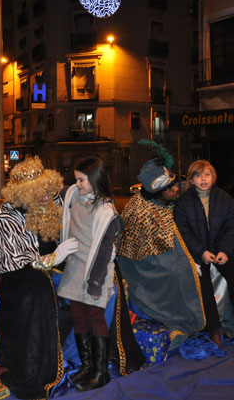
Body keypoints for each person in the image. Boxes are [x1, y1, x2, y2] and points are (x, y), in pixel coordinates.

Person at [0, 156, 70, 399]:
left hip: (49, 272)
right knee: (36, 298)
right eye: (38, 191)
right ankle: (32, 371)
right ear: (23, 193)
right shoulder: (6, 217)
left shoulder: (53, 205)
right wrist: (53, 258)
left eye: (47, 188)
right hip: (18, 278)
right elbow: (18, 261)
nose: (46, 195)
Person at [57, 157, 146, 392]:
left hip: (96, 270)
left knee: (95, 317)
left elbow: (105, 251)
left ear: (95, 180)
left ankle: (100, 372)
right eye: (75, 179)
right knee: (78, 316)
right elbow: (56, 189)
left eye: (81, 180)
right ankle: (87, 368)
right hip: (75, 267)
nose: (77, 184)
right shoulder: (74, 196)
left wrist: (95, 282)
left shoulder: (106, 211)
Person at [118, 153, 206, 351]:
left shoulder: (168, 204)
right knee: (178, 275)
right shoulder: (140, 212)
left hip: (167, 258)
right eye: (170, 188)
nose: (176, 189)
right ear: (156, 192)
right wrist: (186, 264)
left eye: (175, 184)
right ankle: (181, 320)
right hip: (142, 270)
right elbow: (146, 256)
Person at [174, 160, 234, 355]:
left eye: (207, 175)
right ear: (192, 180)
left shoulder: (225, 199)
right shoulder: (183, 202)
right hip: (198, 254)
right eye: (198, 175)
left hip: (221, 251)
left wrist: (225, 250)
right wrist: (201, 253)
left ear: (213, 177)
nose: (203, 179)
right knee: (203, 287)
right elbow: (183, 232)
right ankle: (214, 330)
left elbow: (233, 227)